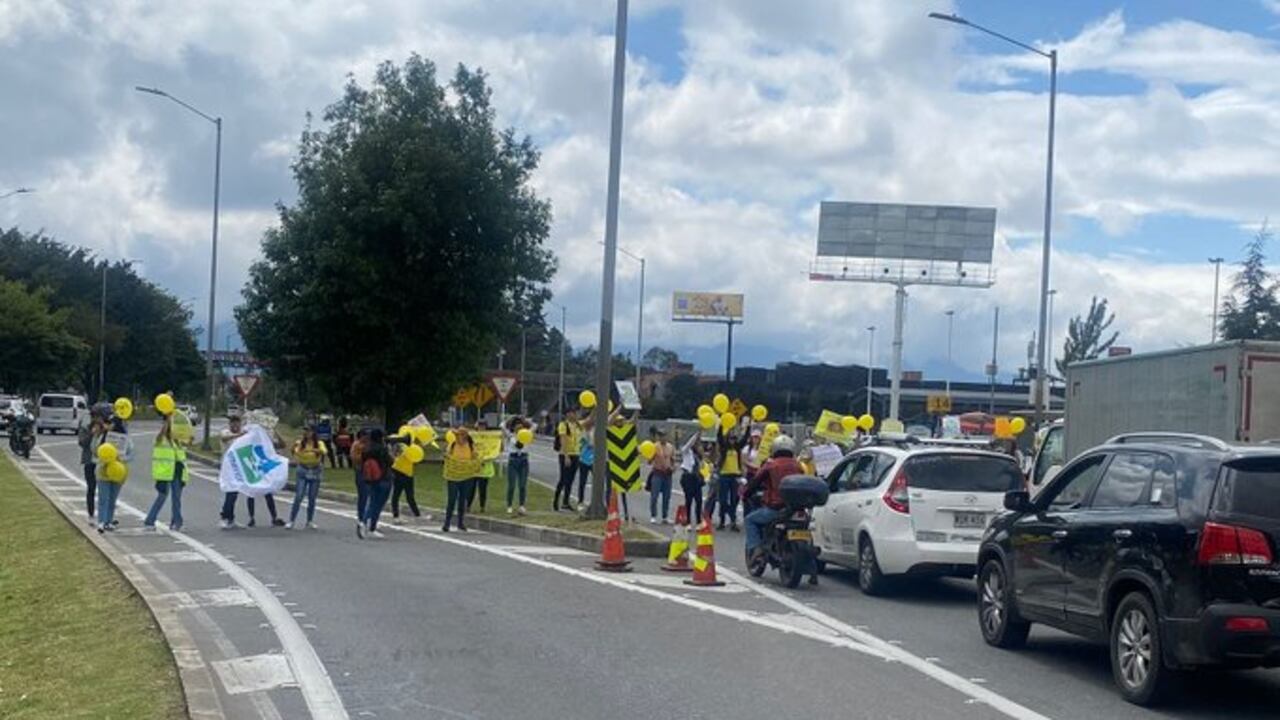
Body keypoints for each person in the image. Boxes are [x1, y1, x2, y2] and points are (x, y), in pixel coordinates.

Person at [219, 413, 286, 529]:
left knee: (259, 489)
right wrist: (241, 435)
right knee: (231, 493)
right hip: (231, 469)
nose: (235, 425)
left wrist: (264, 431)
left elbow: (275, 444)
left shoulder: (246, 436)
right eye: (233, 422)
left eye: (237, 422)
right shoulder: (227, 432)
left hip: (245, 468)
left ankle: (271, 517)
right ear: (230, 424)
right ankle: (226, 517)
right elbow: (224, 438)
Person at [743, 434, 802, 563]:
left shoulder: (771, 465)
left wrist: (745, 493)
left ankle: (756, 548)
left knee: (749, 520)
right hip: (796, 508)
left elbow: (755, 482)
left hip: (776, 507)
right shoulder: (798, 466)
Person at [143, 416, 187, 531]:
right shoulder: (161, 439)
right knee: (162, 497)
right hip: (164, 473)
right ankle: (150, 520)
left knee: (176, 498)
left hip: (177, 472)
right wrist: (168, 420)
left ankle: (176, 522)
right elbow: (160, 435)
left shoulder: (176, 442)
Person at [96, 416, 135, 533]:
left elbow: (131, 454)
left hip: (119, 471)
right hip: (103, 470)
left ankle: (108, 521)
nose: (108, 425)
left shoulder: (125, 438)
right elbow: (96, 449)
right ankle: (101, 522)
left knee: (112, 498)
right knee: (103, 498)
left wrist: (121, 457)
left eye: (111, 423)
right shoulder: (104, 436)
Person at [442, 428, 481, 532]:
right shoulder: (452, 445)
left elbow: (475, 458)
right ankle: (447, 523)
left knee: (462, 500)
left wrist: (476, 463)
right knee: (452, 499)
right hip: (453, 477)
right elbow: (447, 455)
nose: (459, 437)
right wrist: (447, 457)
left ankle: (460, 523)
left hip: (466, 477)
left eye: (462, 435)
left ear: (466, 436)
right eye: (458, 435)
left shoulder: (471, 446)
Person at [715, 421, 751, 531]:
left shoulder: (737, 448)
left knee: (735, 499)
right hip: (724, 475)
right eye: (731, 438)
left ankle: (733, 521)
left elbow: (744, 439)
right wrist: (722, 425)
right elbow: (719, 437)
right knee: (723, 500)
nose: (732, 441)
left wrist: (748, 427)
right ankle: (722, 521)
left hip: (735, 476)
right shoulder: (724, 447)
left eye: (734, 439)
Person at [288, 425, 326, 529]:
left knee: (312, 497)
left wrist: (313, 450)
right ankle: (291, 520)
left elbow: (323, 451)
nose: (307, 433)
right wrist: (300, 450)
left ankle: (309, 520)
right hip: (303, 469)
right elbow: (297, 452)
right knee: (299, 495)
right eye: (305, 431)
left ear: (313, 432)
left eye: (309, 431)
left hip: (315, 469)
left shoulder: (319, 443)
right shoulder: (300, 443)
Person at [359, 429, 393, 539]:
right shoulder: (382, 449)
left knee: (372, 501)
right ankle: (371, 526)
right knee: (379, 504)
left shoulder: (366, 449)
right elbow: (390, 462)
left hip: (371, 478)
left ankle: (364, 521)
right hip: (384, 478)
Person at [78, 405, 108, 523]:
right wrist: (91, 433)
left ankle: (104, 514)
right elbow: (82, 442)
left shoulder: (105, 429)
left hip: (102, 461)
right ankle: (91, 512)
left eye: (99, 417)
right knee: (91, 487)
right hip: (89, 461)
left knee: (103, 488)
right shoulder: (85, 428)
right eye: (94, 416)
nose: (97, 419)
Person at [388, 431, 423, 524]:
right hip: (401, 471)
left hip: (406, 472)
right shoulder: (404, 448)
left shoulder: (405, 447)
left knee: (405, 495)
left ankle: (415, 514)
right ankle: (398, 516)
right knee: (401, 495)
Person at [554, 409, 584, 511]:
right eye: (572, 413)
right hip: (565, 455)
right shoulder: (563, 425)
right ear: (568, 414)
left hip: (576, 454)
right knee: (563, 479)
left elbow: (589, 420)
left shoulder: (578, 425)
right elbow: (563, 441)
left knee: (570, 480)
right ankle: (556, 500)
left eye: (575, 413)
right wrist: (566, 456)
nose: (575, 415)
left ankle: (565, 502)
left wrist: (594, 409)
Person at [647, 428, 676, 524]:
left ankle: (665, 516)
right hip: (657, 473)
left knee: (667, 496)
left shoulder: (670, 447)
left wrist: (673, 467)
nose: (662, 437)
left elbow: (673, 459)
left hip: (667, 474)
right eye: (660, 436)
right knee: (654, 495)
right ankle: (653, 515)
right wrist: (651, 457)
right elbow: (649, 461)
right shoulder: (655, 446)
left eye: (664, 435)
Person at [676, 429, 706, 523]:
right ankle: (688, 520)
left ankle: (698, 520)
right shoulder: (686, 451)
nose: (698, 446)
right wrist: (698, 434)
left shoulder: (698, 456)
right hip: (687, 477)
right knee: (688, 500)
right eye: (696, 444)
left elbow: (702, 467)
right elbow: (690, 443)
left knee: (699, 500)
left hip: (696, 478)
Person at [504, 416, 531, 515]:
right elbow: (502, 425)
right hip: (513, 460)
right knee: (511, 485)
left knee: (522, 485)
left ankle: (522, 505)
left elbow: (534, 425)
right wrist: (512, 418)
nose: (519, 427)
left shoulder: (527, 434)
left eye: (521, 425)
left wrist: (524, 420)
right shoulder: (511, 436)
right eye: (516, 425)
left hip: (524, 460)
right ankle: (509, 505)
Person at [350, 429, 370, 533]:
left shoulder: (369, 444)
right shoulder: (356, 445)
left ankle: (366, 517)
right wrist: (364, 454)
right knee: (363, 495)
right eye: (365, 436)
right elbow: (354, 458)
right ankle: (361, 517)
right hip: (361, 471)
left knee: (369, 496)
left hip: (370, 472)